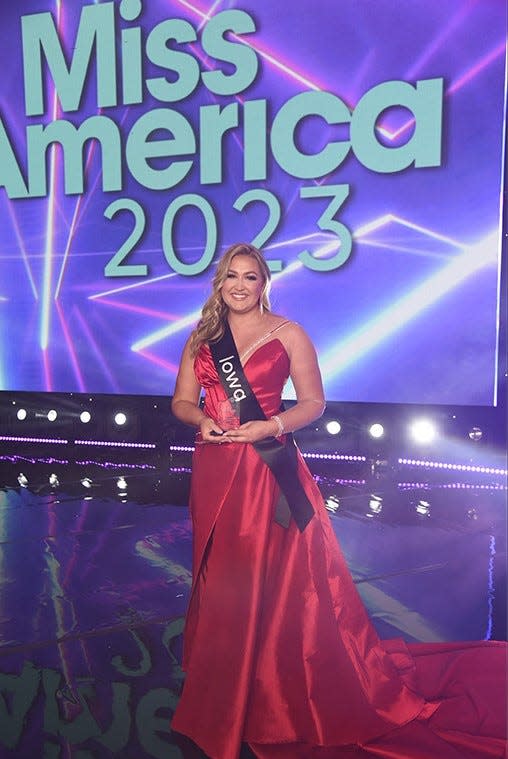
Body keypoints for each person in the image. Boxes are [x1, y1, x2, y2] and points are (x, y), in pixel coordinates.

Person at [170, 243, 506, 759]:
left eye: (251, 277)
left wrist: (273, 424)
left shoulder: (288, 334)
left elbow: (313, 403)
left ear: (264, 284)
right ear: (220, 283)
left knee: (270, 582)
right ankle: (225, 681)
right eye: (231, 277)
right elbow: (181, 401)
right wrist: (202, 421)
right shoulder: (202, 338)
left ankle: (267, 688)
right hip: (214, 470)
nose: (240, 285)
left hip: (267, 473)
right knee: (219, 580)